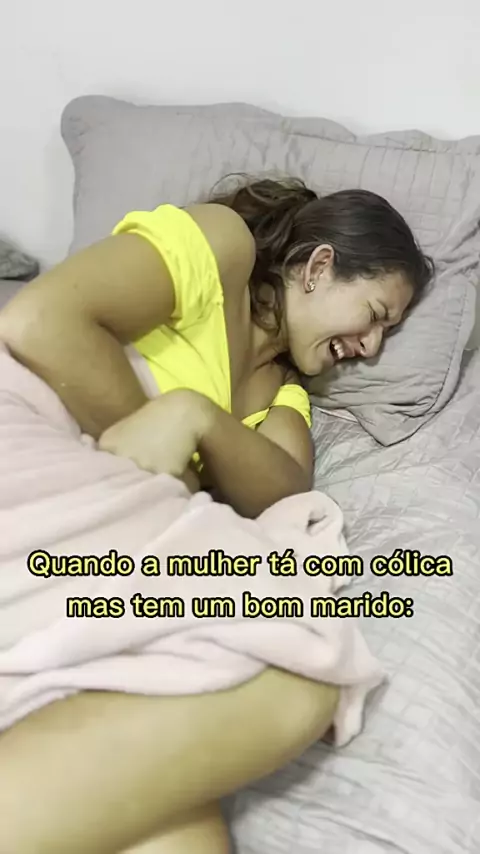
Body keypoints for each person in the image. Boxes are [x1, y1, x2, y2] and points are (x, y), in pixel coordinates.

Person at [0, 177, 433, 853]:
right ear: (319, 267)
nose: (372, 346)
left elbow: (283, 494)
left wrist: (195, 415)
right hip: (27, 424)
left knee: (183, 833)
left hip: (100, 502)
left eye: (388, 333)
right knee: (298, 657)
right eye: (375, 314)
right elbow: (36, 320)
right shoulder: (220, 247)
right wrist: (161, 447)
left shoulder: (281, 390)